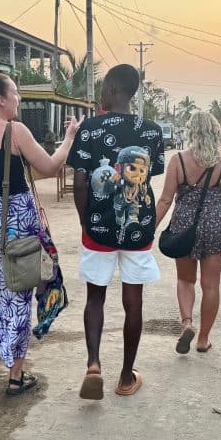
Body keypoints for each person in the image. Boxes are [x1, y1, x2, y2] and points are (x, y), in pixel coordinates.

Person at [0, 73, 80, 395]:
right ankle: (15, 376)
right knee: (18, 293)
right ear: (1, 100)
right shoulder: (15, 131)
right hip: (16, 221)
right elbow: (50, 168)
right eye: (16, 94)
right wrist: (69, 140)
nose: (19, 99)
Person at [68, 64, 165, 399]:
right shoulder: (152, 131)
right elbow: (152, 175)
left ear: (110, 88)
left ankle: (94, 364)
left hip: (98, 226)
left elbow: (80, 183)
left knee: (95, 296)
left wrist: (85, 221)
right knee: (133, 300)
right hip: (138, 227)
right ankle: (126, 378)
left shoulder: (90, 129)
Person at [156, 111, 221, 354]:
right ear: (216, 132)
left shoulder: (179, 161)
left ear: (191, 132)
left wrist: (149, 229)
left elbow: (165, 200)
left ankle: (187, 323)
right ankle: (203, 339)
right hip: (217, 224)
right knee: (211, 285)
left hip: (185, 224)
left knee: (186, 280)